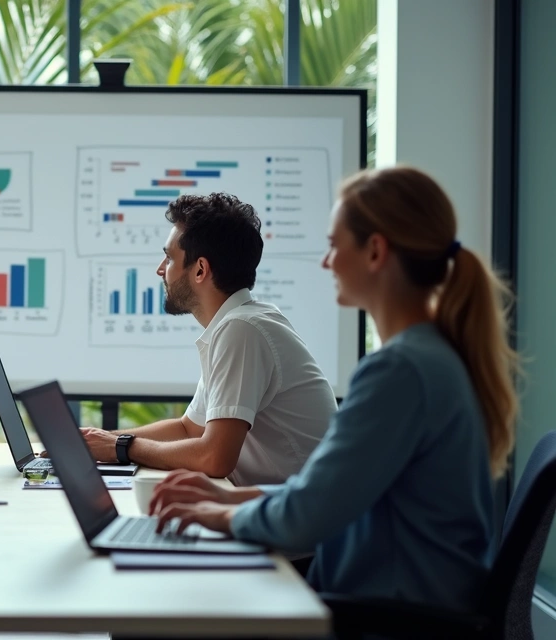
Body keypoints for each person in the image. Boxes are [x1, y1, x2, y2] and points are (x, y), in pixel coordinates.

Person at [151, 166, 515, 610]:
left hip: (385, 614)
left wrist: (221, 513)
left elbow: (309, 515)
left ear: (375, 252)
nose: (326, 263)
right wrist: (230, 498)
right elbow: (326, 493)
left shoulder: (400, 371)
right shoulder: (428, 356)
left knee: (156, 610)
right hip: (397, 598)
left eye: (333, 246)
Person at [62, 193, 336, 486]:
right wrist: (98, 440)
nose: (160, 270)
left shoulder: (243, 330)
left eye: (169, 258)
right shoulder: (240, 322)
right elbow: (188, 429)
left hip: (305, 522)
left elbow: (214, 458)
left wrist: (121, 448)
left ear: (200, 270)